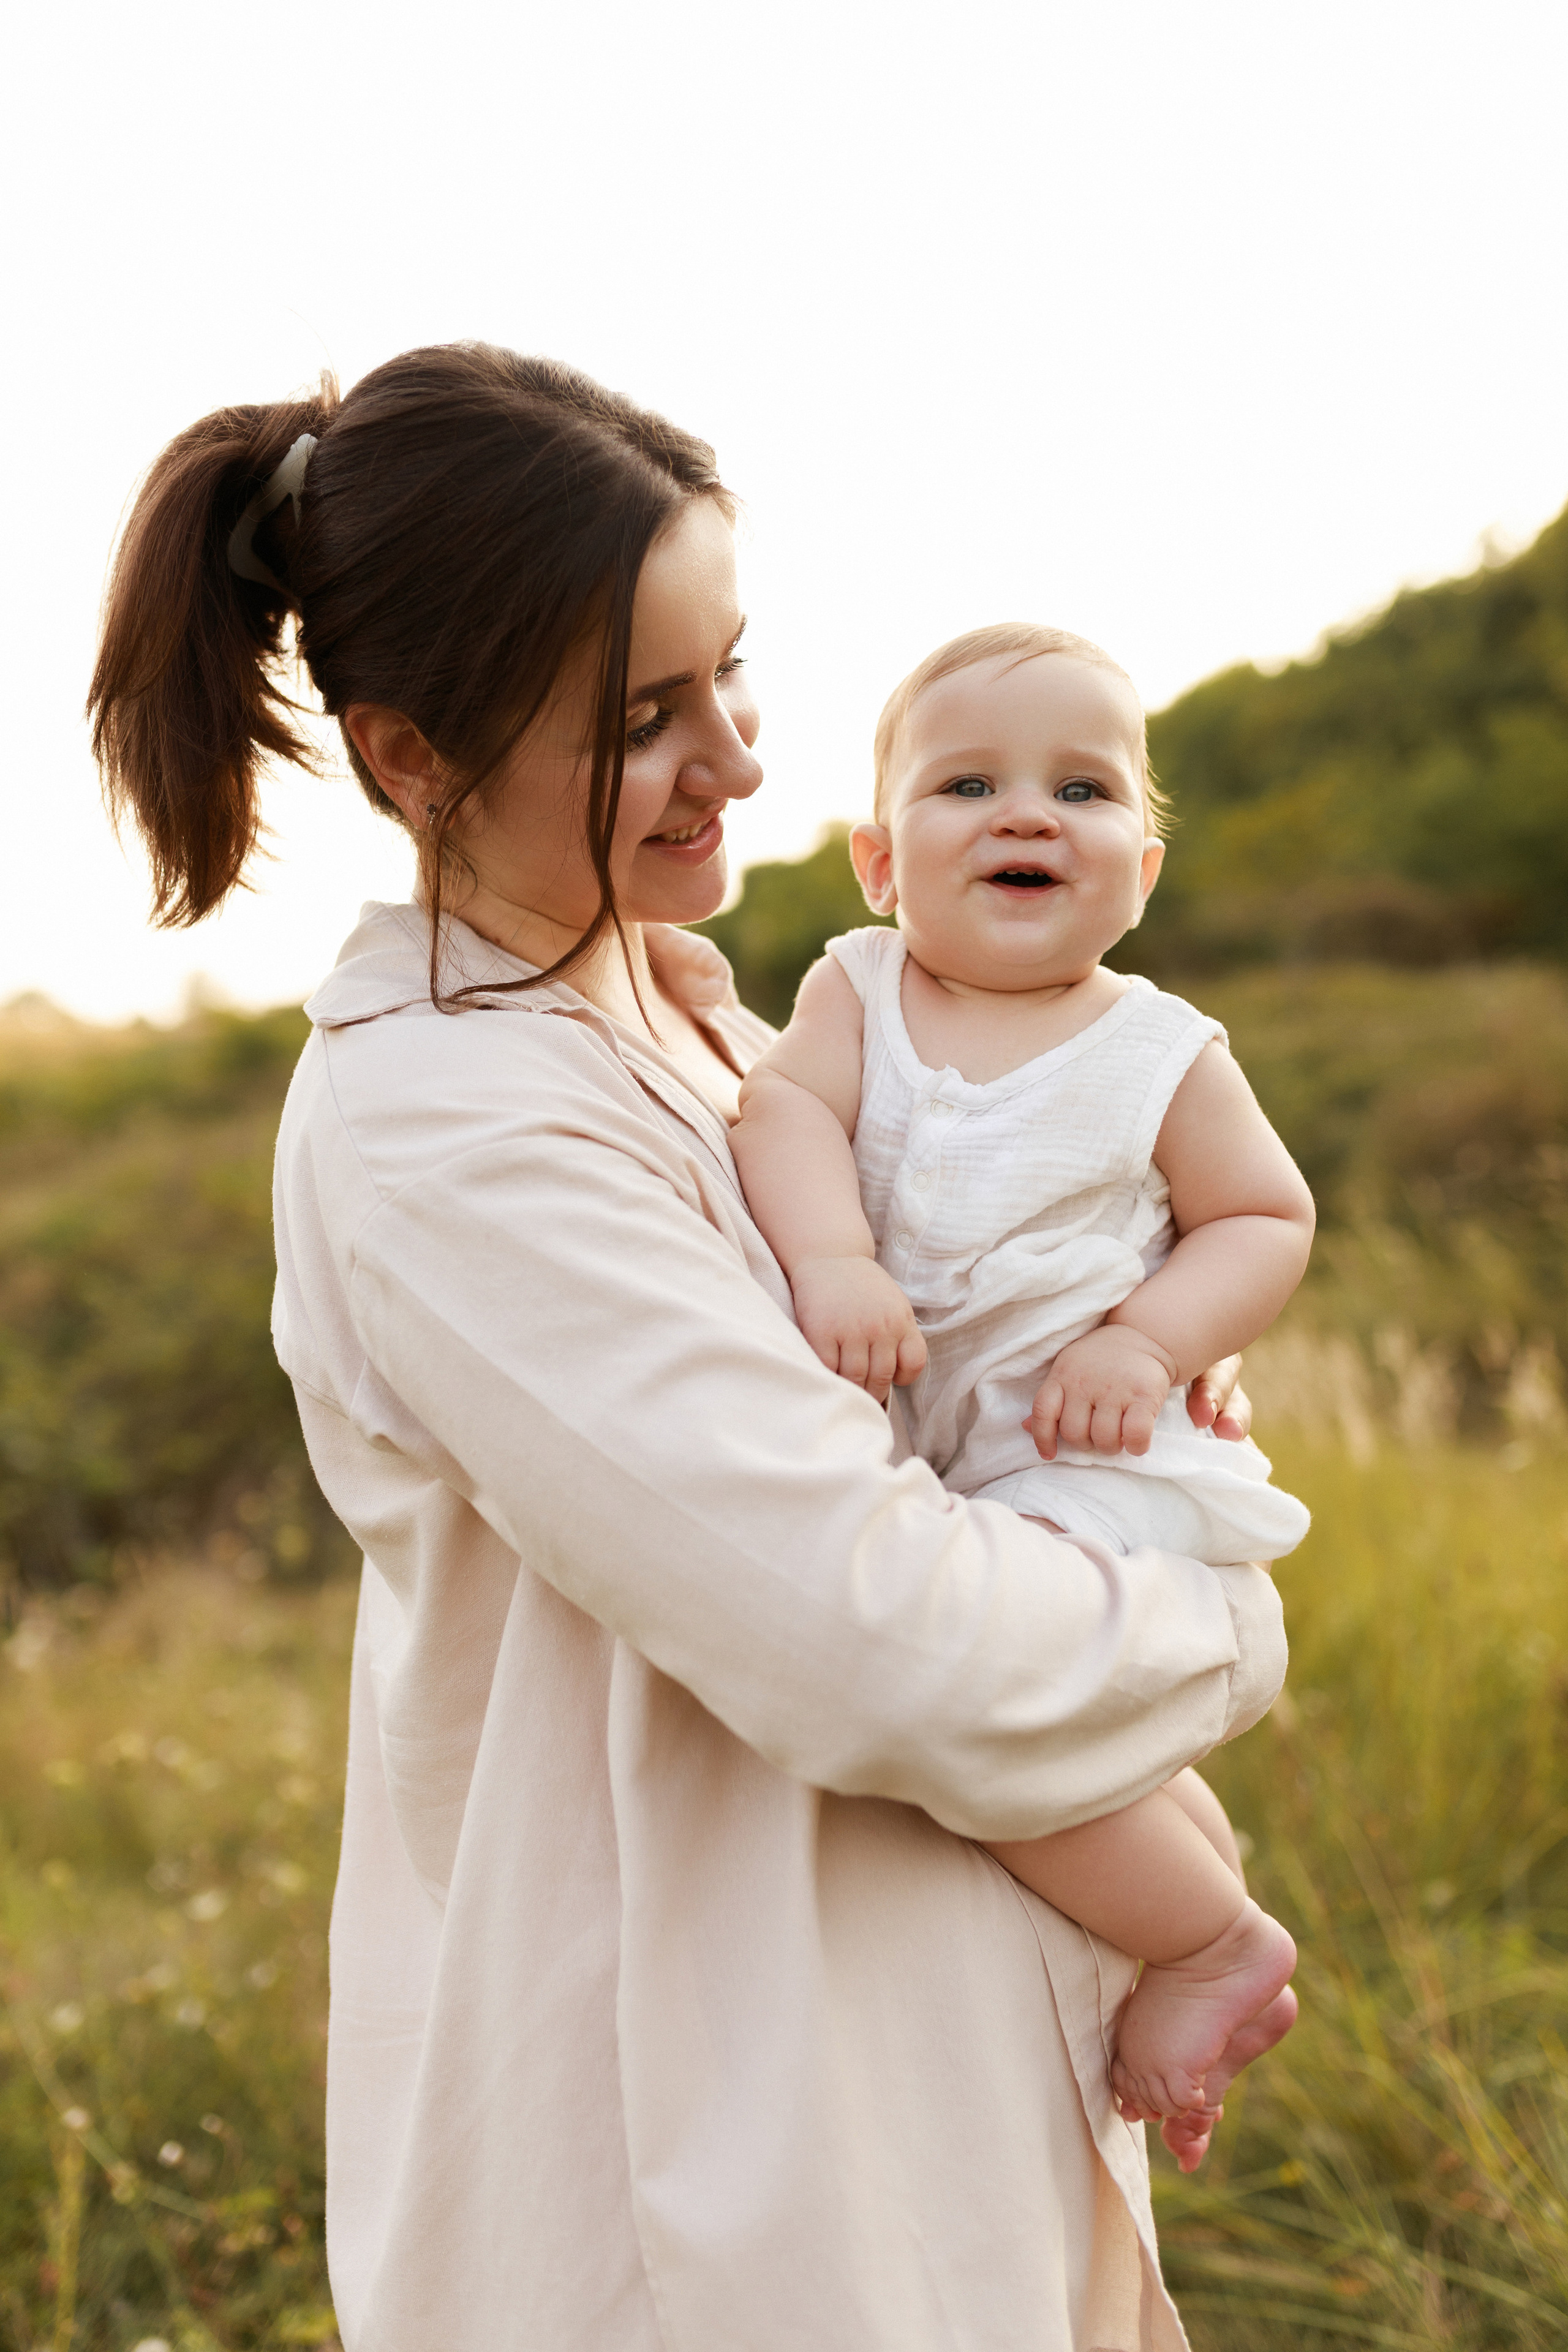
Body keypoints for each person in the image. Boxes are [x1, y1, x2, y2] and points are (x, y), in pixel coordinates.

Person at [89, 344, 1288, 2352]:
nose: (735, 757)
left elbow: (937, 1416)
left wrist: (1108, 1384)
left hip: (936, 2066)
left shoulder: (723, 1031)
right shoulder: (449, 1125)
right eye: (646, 720)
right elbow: (871, 1632)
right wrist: (1205, 1598)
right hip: (708, 2157)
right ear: (409, 759)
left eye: (734, 672)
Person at [730, 624, 1312, 2140]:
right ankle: (1200, 1882)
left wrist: (1148, 1340)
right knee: (1035, 1709)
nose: (1026, 814)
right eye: (966, 783)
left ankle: (1208, 1941)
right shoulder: (856, 992)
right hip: (953, 1458)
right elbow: (782, 1112)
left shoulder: (1159, 1050)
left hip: (1094, 1447)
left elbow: (1262, 1216)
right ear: (876, 861)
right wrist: (834, 1260)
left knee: (985, 1695)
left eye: (1084, 789)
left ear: (1140, 869)